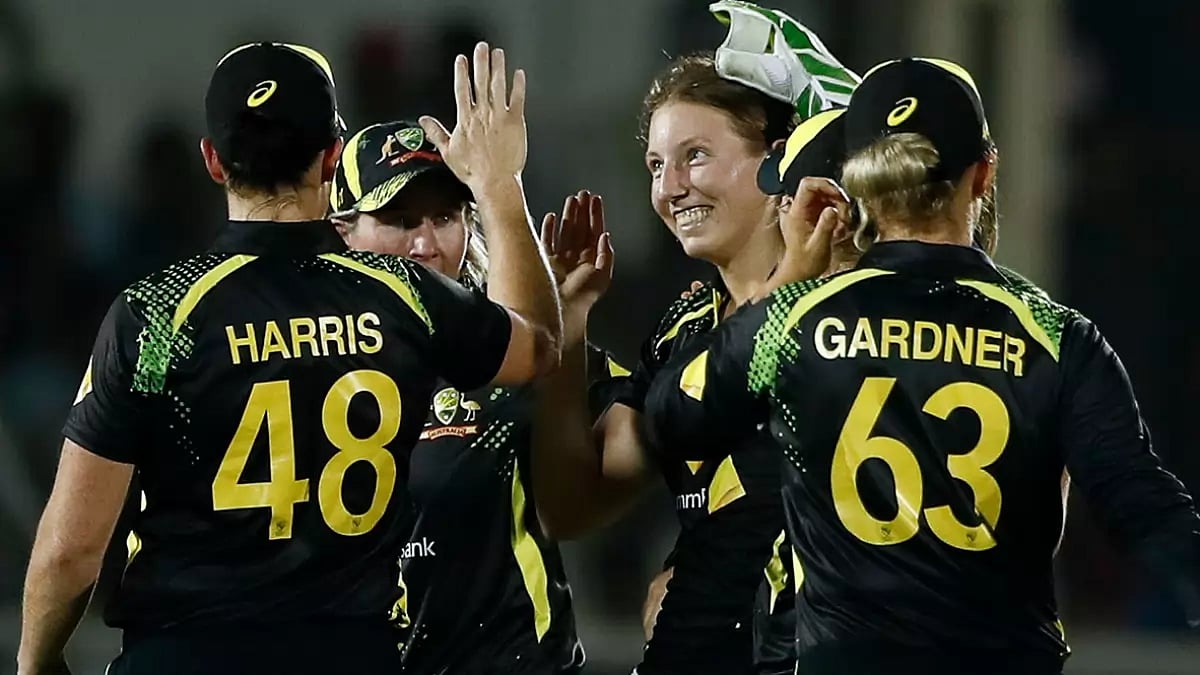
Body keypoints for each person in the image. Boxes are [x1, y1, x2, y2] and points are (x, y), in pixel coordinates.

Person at [17, 41, 561, 675]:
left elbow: (73, 550)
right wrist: (497, 185)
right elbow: (540, 347)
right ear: (333, 157)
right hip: (353, 655)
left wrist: (37, 659)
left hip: (185, 655)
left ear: (213, 160)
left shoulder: (158, 314)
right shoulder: (402, 294)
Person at [642, 57, 1200, 675]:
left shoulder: (796, 320)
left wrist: (786, 278)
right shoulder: (1055, 335)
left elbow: (673, 417)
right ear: (983, 174)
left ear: (858, 184)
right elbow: (1142, 505)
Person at [530, 51, 857, 675]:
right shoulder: (684, 327)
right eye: (656, 165)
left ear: (779, 160)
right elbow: (574, 503)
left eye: (695, 156)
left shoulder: (844, 314)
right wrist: (569, 327)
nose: (669, 187)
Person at [330, 120, 620, 674]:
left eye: (445, 217)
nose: (425, 245)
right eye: (398, 220)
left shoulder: (510, 351)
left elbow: (664, 437)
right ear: (344, 231)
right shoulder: (304, 363)